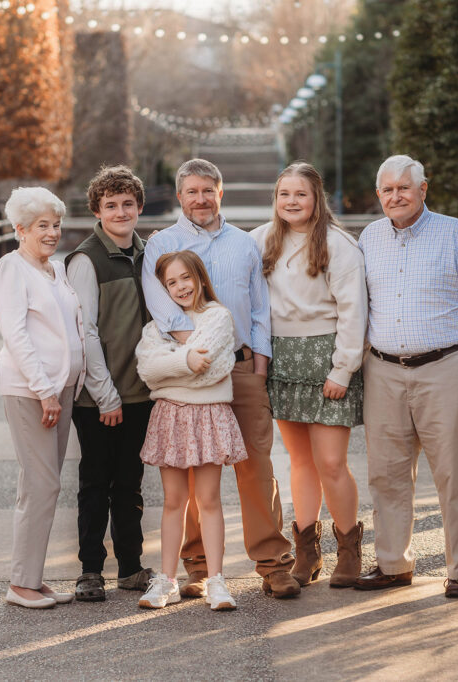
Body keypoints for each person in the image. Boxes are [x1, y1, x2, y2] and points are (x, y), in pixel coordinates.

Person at [141, 159, 300, 599]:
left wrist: (259, 366)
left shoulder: (244, 245)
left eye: (208, 190)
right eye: (191, 191)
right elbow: (165, 313)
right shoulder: (161, 245)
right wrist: (205, 351)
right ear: (179, 196)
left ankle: (272, 563)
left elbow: (259, 309)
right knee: (193, 470)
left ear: (220, 193)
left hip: (243, 367)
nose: (200, 199)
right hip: (191, 374)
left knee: (256, 466)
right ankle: (196, 567)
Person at [356, 155, 458, 599]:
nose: (395, 196)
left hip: (445, 369)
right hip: (382, 370)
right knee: (386, 474)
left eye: (404, 187)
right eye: (387, 189)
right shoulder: (368, 238)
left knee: (455, 474)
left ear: (424, 189)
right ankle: (392, 564)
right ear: (378, 194)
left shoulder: (455, 234)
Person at [250, 162, 367, 588]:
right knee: (299, 460)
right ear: (276, 199)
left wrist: (343, 368)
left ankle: (350, 548)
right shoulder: (260, 240)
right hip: (282, 360)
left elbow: (355, 312)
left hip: (327, 360)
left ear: (317, 198)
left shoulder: (339, 246)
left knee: (331, 462)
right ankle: (307, 551)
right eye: (284, 194)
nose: (292, 202)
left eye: (301, 194)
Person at [135, 251, 247, 611]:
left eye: (186, 278)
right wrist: (185, 360)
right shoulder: (155, 327)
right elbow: (148, 371)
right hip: (171, 416)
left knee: (209, 500)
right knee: (173, 501)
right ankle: (166, 580)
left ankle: (215, 580)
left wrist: (173, 367)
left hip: (209, 414)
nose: (180, 287)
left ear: (199, 278)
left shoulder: (217, 316)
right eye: (171, 282)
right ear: (162, 289)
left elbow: (211, 369)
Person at [0, 186, 86, 609]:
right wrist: (45, 391)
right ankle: (21, 584)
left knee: (41, 484)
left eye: (56, 224)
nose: (52, 233)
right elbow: (16, 335)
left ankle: (32, 577)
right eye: (42, 226)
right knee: (42, 484)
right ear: (20, 230)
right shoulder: (12, 268)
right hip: (32, 392)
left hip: (61, 390)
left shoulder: (56, 268)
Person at [65, 166, 153, 602]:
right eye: (111, 205)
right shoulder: (86, 259)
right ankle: (90, 571)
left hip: (140, 393)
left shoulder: (148, 253)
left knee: (130, 484)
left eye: (127, 204)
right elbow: (86, 332)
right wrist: (105, 395)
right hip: (99, 398)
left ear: (139, 207)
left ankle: (132, 568)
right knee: (95, 485)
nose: (120, 211)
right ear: (97, 210)